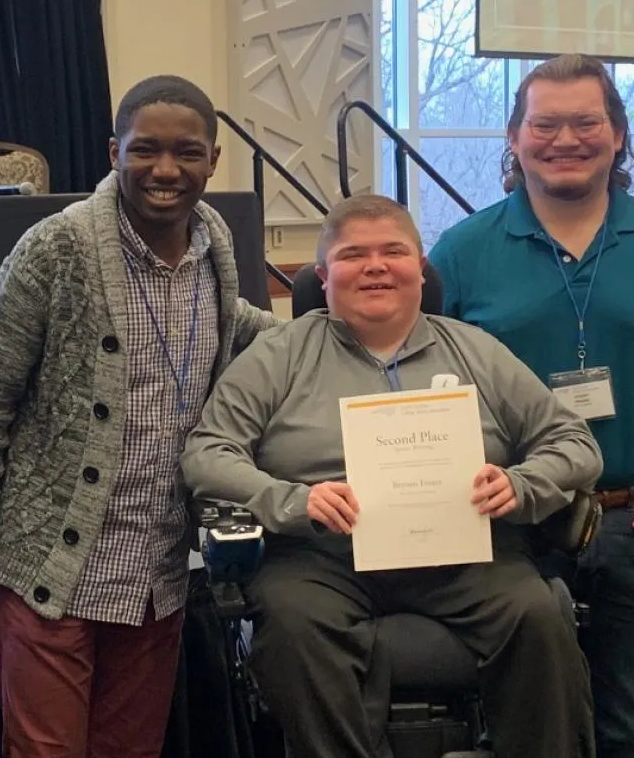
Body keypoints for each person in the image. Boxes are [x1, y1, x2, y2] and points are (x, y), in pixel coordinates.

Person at [0, 74, 281, 757]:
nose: (165, 169)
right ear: (113, 151)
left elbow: (234, 325)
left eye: (187, 152)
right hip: (50, 570)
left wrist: (344, 326)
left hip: (155, 574)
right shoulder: (53, 251)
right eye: (145, 149)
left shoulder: (214, 248)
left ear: (213, 160)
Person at [180, 193, 600, 758]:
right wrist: (291, 500)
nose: (376, 266)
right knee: (292, 625)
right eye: (354, 255)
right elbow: (207, 453)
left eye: (393, 251)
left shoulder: (478, 351)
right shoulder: (277, 355)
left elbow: (575, 443)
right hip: (322, 556)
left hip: (468, 551)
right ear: (323, 278)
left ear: (421, 272)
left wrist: (522, 485)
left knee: (539, 615)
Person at [428, 53, 634, 758]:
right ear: (514, 139)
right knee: (528, 724)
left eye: (587, 122)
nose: (566, 139)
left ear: (618, 136)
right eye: (545, 123)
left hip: (630, 514)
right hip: (506, 528)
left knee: (624, 724)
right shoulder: (460, 252)